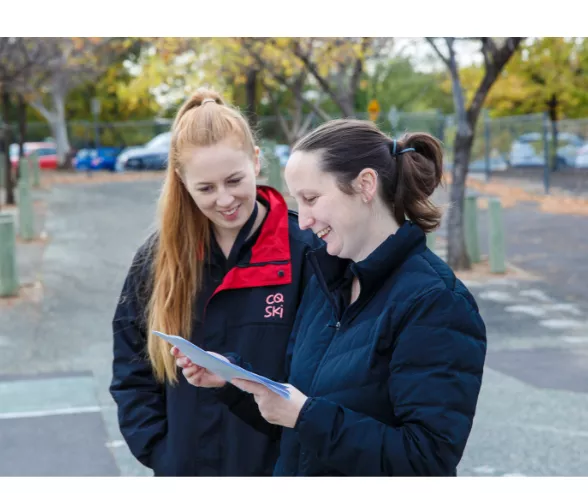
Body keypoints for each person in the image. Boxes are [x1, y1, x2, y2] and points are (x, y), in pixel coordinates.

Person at [175, 119, 487, 476]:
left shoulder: (436, 303)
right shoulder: (328, 282)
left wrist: (304, 415)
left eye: (311, 199)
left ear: (365, 185)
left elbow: (426, 460)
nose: (303, 221)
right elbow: (296, 420)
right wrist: (232, 381)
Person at [109, 88, 322, 476]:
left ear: (256, 161)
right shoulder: (157, 259)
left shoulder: (307, 251)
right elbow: (132, 369)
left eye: (234, 180)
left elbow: (327, 373)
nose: (224, 199)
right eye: (206, 188)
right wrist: (162, 453)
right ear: (181, 181)